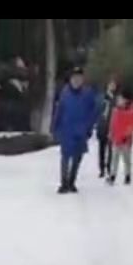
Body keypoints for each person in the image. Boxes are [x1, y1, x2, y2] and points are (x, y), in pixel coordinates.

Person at [52, 64, 99, 193]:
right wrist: (55, 127)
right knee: (65, 157)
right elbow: (59, 111)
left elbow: (94, 111)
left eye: (79, 78)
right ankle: (64, 182)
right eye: (74, 78)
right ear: (70, 79)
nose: (77, 81)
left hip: (81, 131)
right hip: (67, 130)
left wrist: (89, 126)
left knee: (77, 158)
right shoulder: (65, 93)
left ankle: (72, 181)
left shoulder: (88, 94)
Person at [108, 90, 133, 184]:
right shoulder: (116, 111)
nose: (119, 101)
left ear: (125, 100)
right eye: (118, 99)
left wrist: (126, 135)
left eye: (121, 99)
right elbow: (113, 123)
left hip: (126, 140)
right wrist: (111, 133)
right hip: (116, 139)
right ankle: (112, 175)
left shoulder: (131, 111)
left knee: (126, 159)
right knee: (114, 158)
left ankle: (127, 175)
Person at [96, 77, 118, 180]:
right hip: (102, 126)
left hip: (112, 127)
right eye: (111, 84)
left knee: (110, 149)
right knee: (101, 149)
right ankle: (101, 169)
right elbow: (98, 109)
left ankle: (109, 168)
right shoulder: (102, 97)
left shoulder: (116, 99)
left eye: (114, 85)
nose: (112, 86)